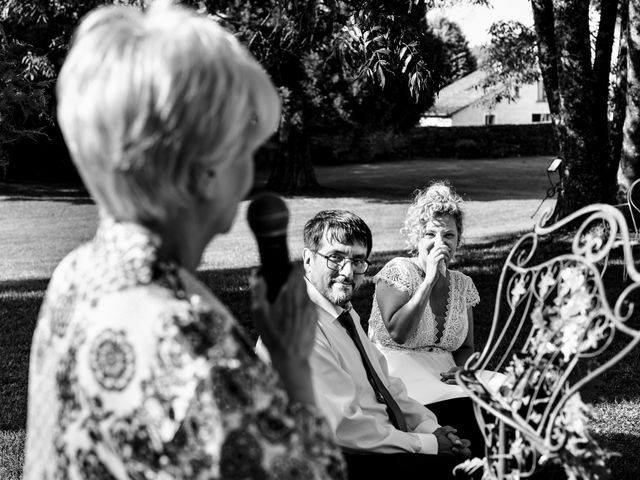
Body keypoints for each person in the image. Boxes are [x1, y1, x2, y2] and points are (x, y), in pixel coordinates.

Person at [23, 2, 345, 479]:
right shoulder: (189, 343)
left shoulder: (76, 274)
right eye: (249, 153)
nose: (253, 178)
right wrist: (293, 362)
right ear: (204, 172)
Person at [256, 210, 478, 480]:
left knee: (476, 434)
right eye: (335, 257)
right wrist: (429, 445)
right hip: (339, 460)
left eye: (358, 260)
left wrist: (432, 428)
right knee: (462, 471)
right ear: (307, 259)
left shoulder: (341, 313)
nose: (348, 272)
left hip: (378, 439)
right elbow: (345, 427)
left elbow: (387, 386)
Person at [368, 181, 501, 440]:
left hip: (445, 374)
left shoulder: (463, 284)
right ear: (416, 237)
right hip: (400, 374)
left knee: (511, 393)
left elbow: (466, 347)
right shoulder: (399, 271)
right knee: (468, 413)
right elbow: (399, 332)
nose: (440, 242)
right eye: (430, 234)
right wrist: (428, 280)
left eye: (448, 235)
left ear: (458, 240)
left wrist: (465, 370)